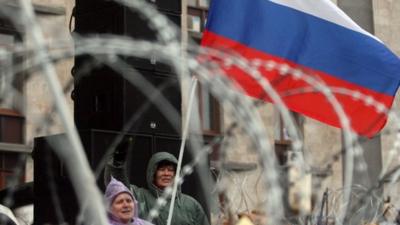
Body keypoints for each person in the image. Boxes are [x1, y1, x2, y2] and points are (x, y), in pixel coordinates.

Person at [105, 141, 210, 225]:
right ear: (153, 173)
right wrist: (117, 164)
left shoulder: (191, 204)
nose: (166, 174)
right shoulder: (139, 196)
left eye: (170, 170)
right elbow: (116, 186)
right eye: (162, 169)